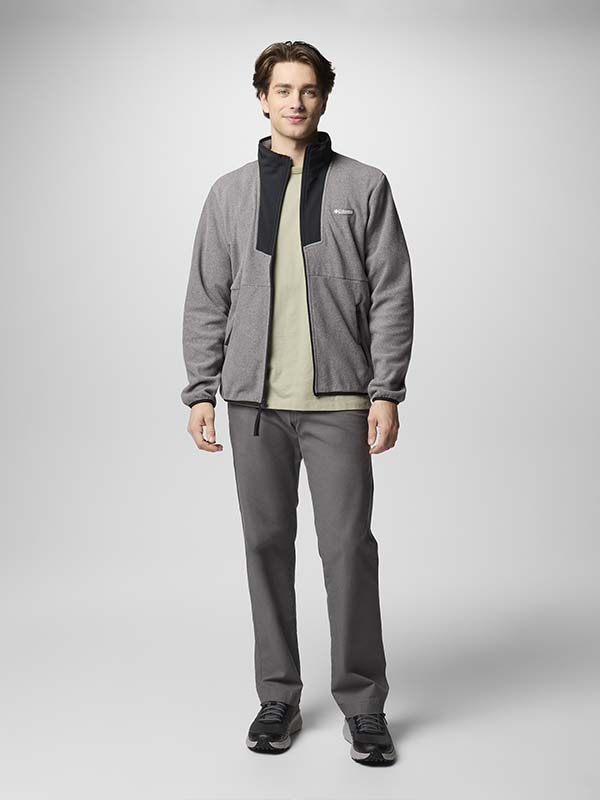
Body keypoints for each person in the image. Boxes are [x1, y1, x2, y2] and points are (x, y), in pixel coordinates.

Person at [180, 40, 414, 766]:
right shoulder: (228, 194)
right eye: (282, 90)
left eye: (308, 90)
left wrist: (386, 390)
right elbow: (206, 296)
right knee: (265, 547)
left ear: (323, 99)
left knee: (348, 550)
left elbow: (392, 293)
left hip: (340, 402)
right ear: (262, 99)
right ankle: (277, 695)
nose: (295, 102)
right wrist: (200, 390)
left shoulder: (365, 186)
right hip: (253, 405)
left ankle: (363, 706)